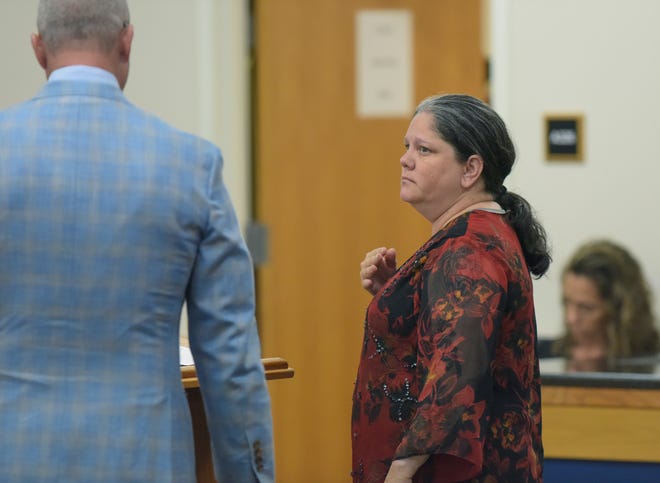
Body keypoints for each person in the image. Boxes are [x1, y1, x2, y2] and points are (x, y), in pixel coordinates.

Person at [0, 1, 273, 482]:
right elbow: (230, 360)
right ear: (127, 41)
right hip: (146, 461)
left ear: (38, 49)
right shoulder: (192, 165)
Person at [352, 94, 550, 483]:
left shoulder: (469, 248)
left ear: (470, 169)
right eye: (407, 147)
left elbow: (460, 367)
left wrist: (403, 469)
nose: (405, 159)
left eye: (424, 150)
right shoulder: (477, 235)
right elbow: (456, 337)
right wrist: (399, 302)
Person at [556, 239, 660, 372]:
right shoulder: (546, 355)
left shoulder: (651, 364)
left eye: (586, 308)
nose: (570, 318)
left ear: (621, 311)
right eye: (566, 303)